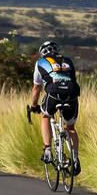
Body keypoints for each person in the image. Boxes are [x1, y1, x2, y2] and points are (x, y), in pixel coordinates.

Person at [29, 40, 81, 175]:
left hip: (53, 94)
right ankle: (75, 158)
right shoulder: (68, 60)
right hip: (72, 95)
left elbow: (36, 87)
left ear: (42, 53)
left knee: (45, 116)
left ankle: (47, 149)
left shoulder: (40, 62)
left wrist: (34, 105)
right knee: (70, 128)